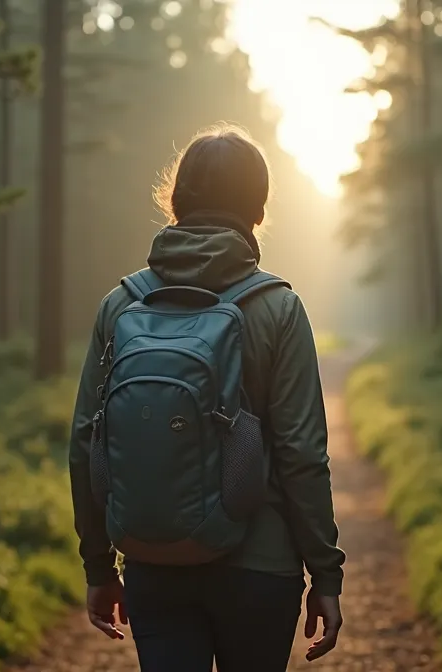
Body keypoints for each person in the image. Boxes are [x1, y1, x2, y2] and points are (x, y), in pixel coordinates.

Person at [66, 122, 346, 671]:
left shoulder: (121, 305)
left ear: (175, 201)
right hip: (261, 567)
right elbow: (302, 454)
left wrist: (100, 567)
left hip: (153, 559)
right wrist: (325, 574)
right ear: (258, 208)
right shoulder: (279, 308)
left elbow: (85, 443)